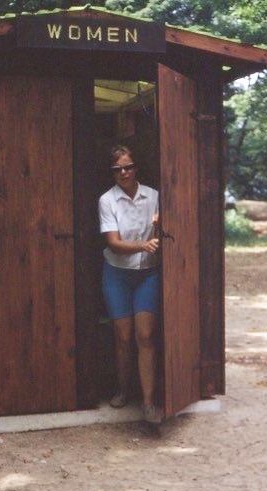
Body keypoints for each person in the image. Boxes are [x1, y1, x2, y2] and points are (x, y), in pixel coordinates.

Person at [98, 145, 162, 424]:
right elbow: (113, 243)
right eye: (117, 169)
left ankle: (148, 402)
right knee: (123, 338)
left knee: (145, 335)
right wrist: (143, 244)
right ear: (112, 172)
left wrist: (160, 226)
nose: (124, 172)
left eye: (128, 166)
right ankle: (124, 390)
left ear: (136, 167)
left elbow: (166, 231)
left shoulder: (155, 196)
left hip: (148, 273)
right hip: (118, 274)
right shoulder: (107, 200)